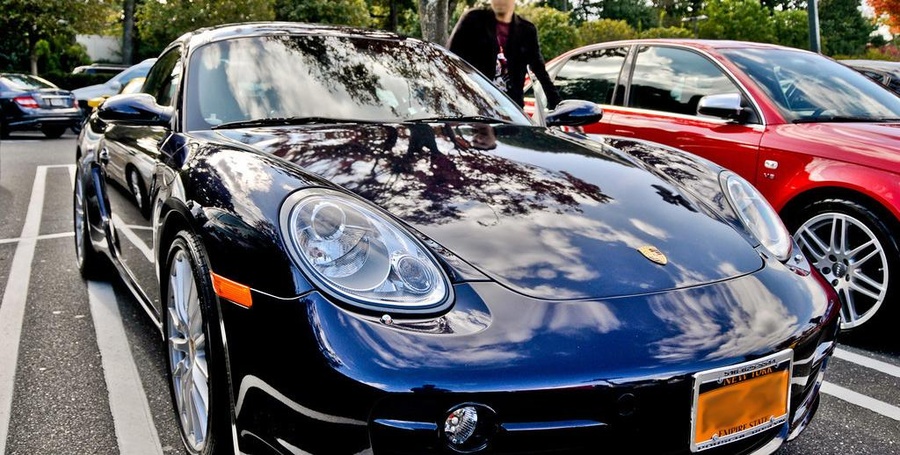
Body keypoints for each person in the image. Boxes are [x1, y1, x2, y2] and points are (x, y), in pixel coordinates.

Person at [447, 0, 562, 110]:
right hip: (476, 105)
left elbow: (539, 69)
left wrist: (556, 103)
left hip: (511, 110)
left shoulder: (526, 30)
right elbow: (450, 58)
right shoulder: (473, 20)